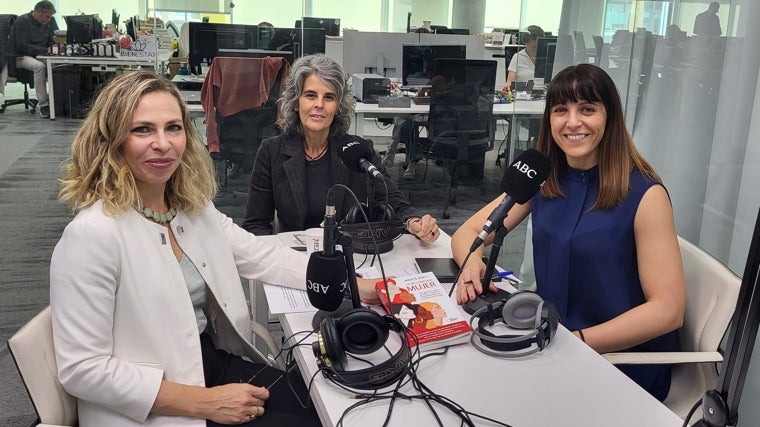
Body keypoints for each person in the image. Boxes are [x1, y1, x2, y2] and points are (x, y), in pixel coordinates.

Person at [49, 71, 340, 426]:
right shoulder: (92, 235)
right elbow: (82, 370)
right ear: (112, 140)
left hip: (205, 363)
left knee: (325, 404)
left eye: (173, 127)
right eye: (142, 129)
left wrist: (353, 282)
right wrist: (203, 403)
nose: (163, 143)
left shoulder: (190, 208)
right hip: (153, 398)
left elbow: (259, 254)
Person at [450, 64, 685, 401]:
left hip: (617, 363)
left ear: (610, 117)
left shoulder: (645, 195)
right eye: (561, 110)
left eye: (587, 109)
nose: (572, 122)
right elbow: (470, 231)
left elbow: (668, 310)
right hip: (550, 344)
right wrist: (471, 260)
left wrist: (577, 341)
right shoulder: (545, 179)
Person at [243, 54, 439, 243]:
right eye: (310, 95)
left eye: (329, 97)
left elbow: (392, 199)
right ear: (296, 102)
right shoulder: (271, 152)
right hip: (294, 259)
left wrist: (414, 222)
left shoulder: (358, 151)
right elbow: (256, 224)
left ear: (338, 106)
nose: (319, 105)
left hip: (348, 258)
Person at [9, 1, 56, 118]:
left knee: (57, 65)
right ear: (39, 12)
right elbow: (22, 46)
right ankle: (44, 105)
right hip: (20, 57)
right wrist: (45, 51)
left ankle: (54, 101)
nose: (48, 20)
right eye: (47, 17)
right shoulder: (22, 21)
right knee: (39, 67)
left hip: (38, 55)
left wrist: (56, 47)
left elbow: (50, 41)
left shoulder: (45, 23)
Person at [504, 25, 545, 92]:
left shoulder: (546, 57)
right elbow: (509, 84)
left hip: (544, 95)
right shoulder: (517, 57)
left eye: (540, 39)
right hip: (523, 96)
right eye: (534, 39)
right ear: (526, 40)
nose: (537, 42)